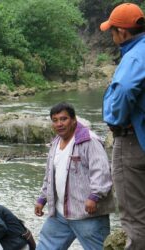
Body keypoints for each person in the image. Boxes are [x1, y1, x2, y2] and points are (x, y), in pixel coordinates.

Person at [34, 102, 115, 250]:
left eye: (63, 119)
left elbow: (102, 171)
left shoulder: (89, 140)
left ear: (73, 120)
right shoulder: (55, 143)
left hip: (87, 213)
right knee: (45, 247)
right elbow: (50, 175)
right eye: (55, 120)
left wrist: (94, 196)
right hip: (59, 213)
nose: (59, 124)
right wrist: (42, 198)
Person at [100, 3, 145, 249]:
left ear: (123, 32)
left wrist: (114, 117)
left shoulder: (136, 54)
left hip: (132, 140)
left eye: (112, 30)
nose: (111, 35)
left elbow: (126, 88)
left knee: (134, 218)